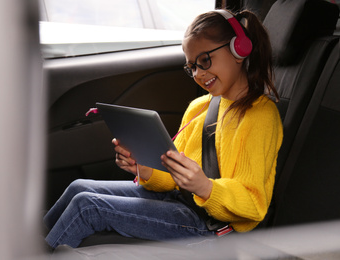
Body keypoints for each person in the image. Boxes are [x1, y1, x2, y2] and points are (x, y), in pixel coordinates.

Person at [43, 9, 283, 249]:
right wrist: (144, 168)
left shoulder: (259, 115)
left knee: (88, 207)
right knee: (78, 187)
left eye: (205, 61)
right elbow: (171, 178)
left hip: (210, 223)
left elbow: (254, 204)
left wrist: (204, 187)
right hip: (179, 199)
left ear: (238, 49)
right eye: (192, 67)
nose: (199, 74)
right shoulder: (199, 107)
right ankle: (32, 245)